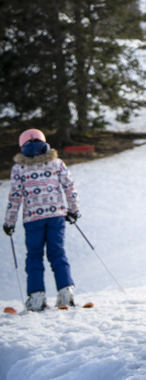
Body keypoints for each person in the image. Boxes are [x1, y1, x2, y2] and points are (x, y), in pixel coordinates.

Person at [3, 129, 80, 311]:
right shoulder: (56, 163)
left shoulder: (19, 168)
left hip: (33, 219)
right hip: (56, 215)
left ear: (22, 146)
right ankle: (66, 293)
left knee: (34, 255)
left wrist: (9, 222)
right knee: (57, 252)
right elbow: (69, 187)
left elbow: (15, 197)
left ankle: (36, 297)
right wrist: (73, 210)